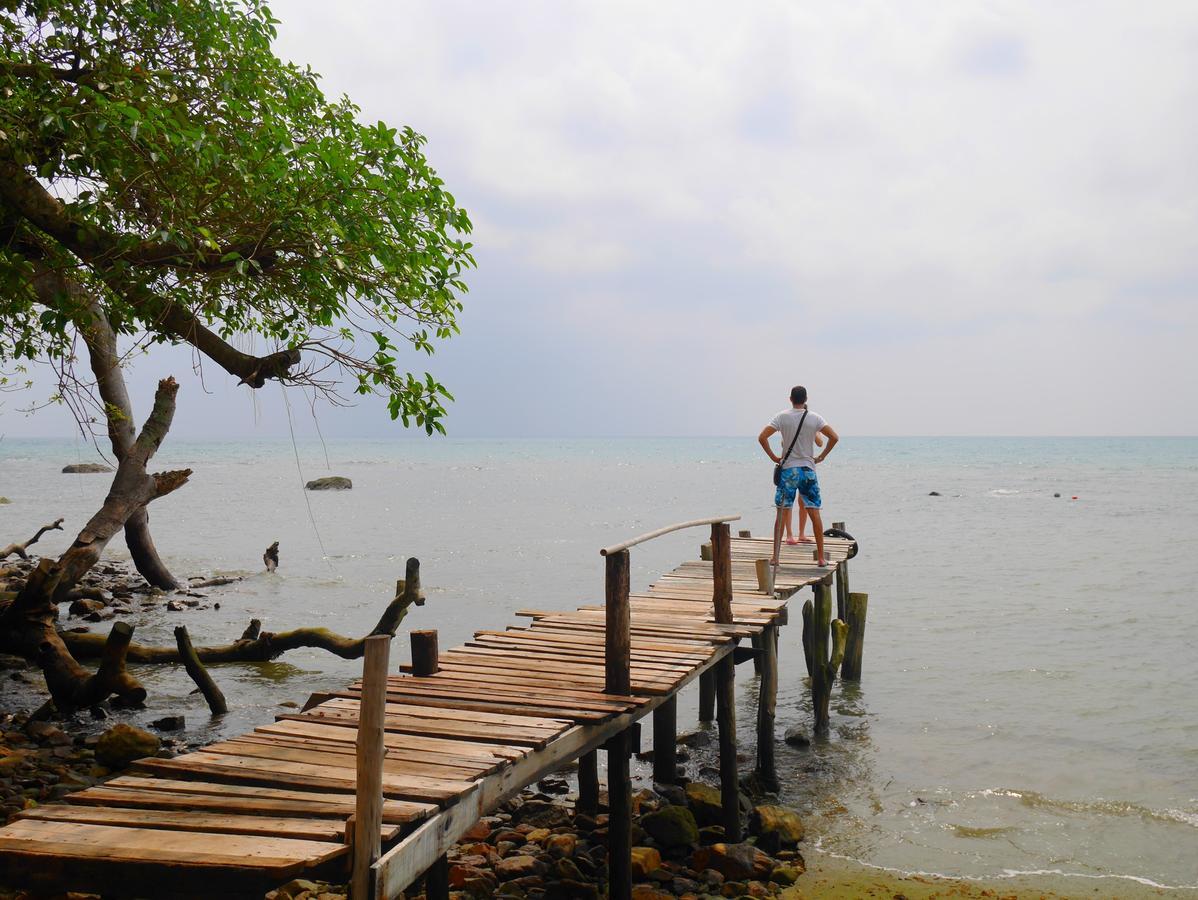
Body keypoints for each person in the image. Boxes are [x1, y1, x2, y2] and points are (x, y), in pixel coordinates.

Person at [758, 385, 839, 568]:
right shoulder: (815, 418)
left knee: (782, 512)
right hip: (808, 470)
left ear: (790, 399)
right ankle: (820, 558)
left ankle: (776, 557)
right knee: (814, 512)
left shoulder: (781, 417)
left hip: (788, 471)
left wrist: (773, 457)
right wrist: (822, 456)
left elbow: (762, 437)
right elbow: (834, 437)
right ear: (806, 399)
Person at [783, 428, 824, 545]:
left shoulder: (812, 424)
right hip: (792, 465)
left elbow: (820, 443)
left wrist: (814, 431)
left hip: (805, 466)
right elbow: (783, 443)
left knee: (803, 502)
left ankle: (801, 534)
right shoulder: (791, 422)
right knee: (788, 502)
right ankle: (789, 535)